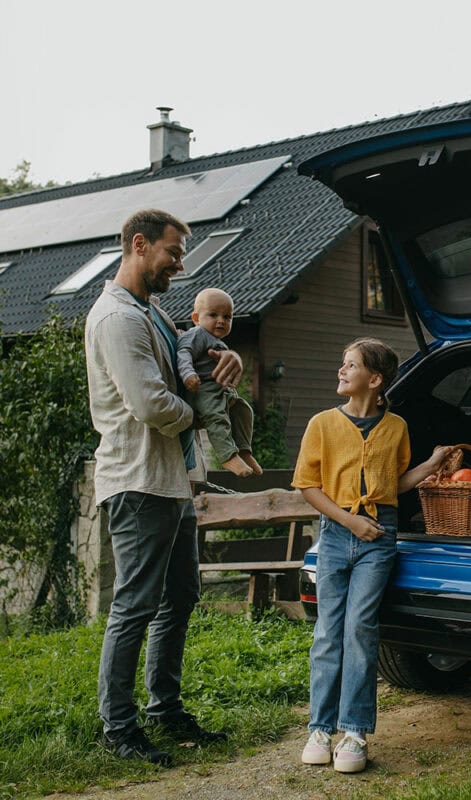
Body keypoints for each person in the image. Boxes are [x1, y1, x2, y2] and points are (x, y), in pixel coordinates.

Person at [85, 209, 241, 765]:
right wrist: (203, 419)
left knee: (180, 597)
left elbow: (192, 352)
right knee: (136, 603)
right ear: (138, 244)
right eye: (174, 253)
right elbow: (152, 405)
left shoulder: (149, 309)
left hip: (173, 481)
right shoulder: (116, 320)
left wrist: (230, 360)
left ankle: (164, 709)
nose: (180, 264)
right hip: (137, 482)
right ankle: (119, 727)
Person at [291, 337, 451, 774]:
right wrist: (349, 522)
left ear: (375, 379)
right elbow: (308, 486)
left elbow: (394, 482)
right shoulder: (322, 424)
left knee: (361, 628)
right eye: (343, 364)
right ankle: (320, 728)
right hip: (337, 534)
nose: (341, 371)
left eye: (350, 365)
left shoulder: (396, 427)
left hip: (380, 536)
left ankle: (354, 732)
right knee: (328, 632)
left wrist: (432, 464)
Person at [177, 287, 262, 477]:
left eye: (227, 317)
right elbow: (183, 354)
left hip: (220, 388)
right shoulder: (197, 334)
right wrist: (188, 374)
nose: (221, 320)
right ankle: (227, 456)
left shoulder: (216, 339)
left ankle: (244, 450)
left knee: (243, 410)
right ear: (196, 318)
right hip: (203, 388)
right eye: (213, 315)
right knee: (217, 417)